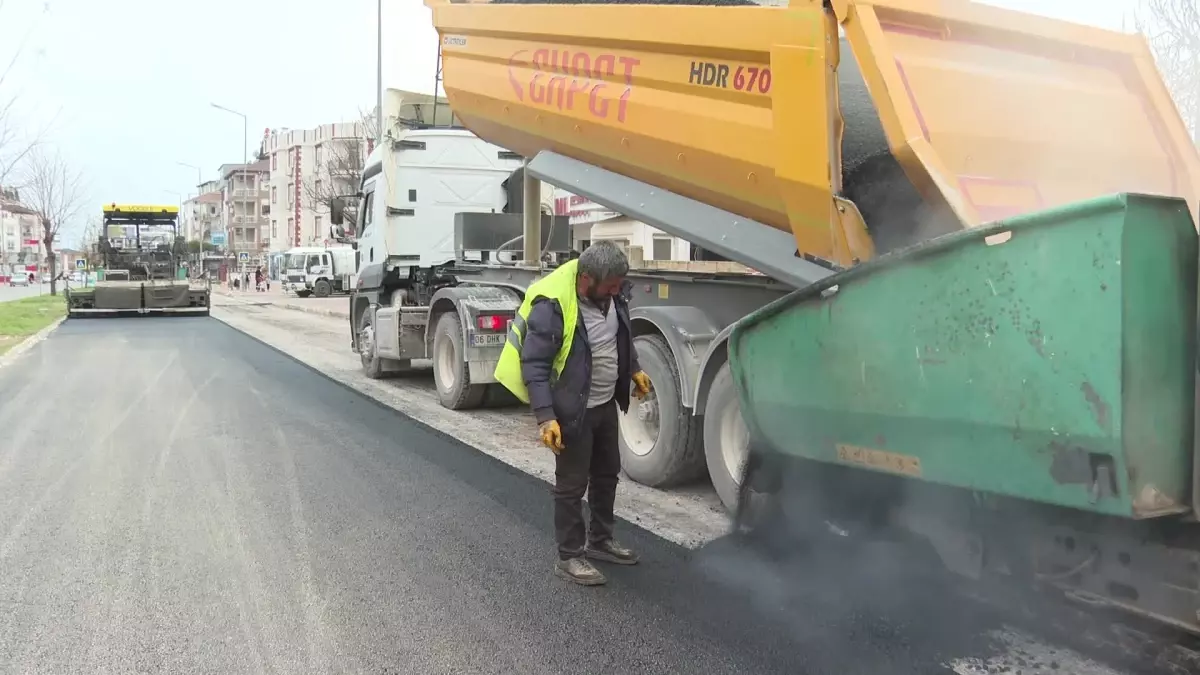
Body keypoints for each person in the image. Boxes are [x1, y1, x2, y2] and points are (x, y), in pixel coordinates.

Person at [495, 241, 652, 586]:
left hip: (604, 404)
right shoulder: (553, 304)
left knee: (607, 474)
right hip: (572, 410)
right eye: (610, 286)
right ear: (586, 279)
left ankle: (600, 541)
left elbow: (617, 338)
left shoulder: (610, 295)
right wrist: (545, 417)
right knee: (571, 485)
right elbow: (534, 366)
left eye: (618, 286)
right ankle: (569, 556)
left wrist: (634, 369)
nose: (616, 292)